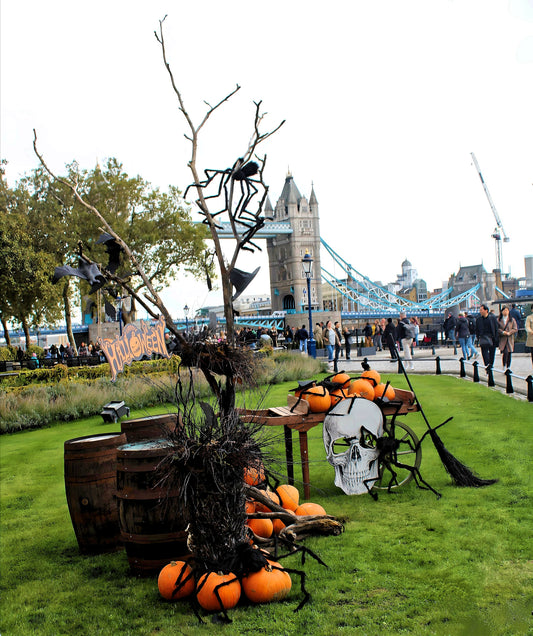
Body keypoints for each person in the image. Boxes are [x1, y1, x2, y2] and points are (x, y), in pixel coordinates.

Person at [476, 304, 499, 368]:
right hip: (483, 338)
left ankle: (491, 365)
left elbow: (496, 328)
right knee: (484, 354)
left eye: (481, 310)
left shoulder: (492, 318)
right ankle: (487, 365)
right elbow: (477, 329)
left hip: (491, 338)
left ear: (486, 310)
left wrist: (496, 338)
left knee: (492, 353)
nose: (480, 311)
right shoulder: (478, 319)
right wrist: (478, 337)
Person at [497, 305, 518, 369]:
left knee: (509, 352)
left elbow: (515, 328)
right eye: (504, 310)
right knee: (505, 352)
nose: (505, 312)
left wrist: (510, 332)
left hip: (509, 338)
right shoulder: (499, 319)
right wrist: (503, 332)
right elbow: (497, 328)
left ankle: (508, 366)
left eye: (507, 310)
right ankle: (504, 365)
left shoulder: (512, 320)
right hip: (503, 338)